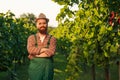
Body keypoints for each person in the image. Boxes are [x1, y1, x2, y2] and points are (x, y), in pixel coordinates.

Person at [27, 13, 56, 80]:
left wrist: (35, 55)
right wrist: (44, 49)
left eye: (44, 23)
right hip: (35, 68)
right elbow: (30, 50)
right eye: (40, 23)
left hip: (48, 69)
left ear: (47, 24)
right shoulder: (31, 38)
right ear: (36, 25)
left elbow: (51, 52)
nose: (42, 25)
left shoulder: (52, 39)